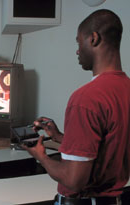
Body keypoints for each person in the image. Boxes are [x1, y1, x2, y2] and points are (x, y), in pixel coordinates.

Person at [22, 9, 130, 205]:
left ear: (94, 39)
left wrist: (41, 156)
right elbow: (105, 149)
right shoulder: (126, 88)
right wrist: (59, 136)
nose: (78, 50)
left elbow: (74, 181)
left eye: (79, 42)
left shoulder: (86, 98)